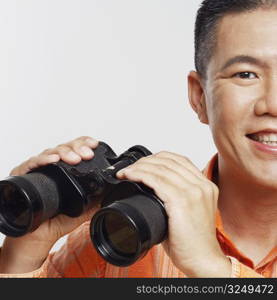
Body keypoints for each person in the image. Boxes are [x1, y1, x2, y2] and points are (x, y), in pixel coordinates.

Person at [0, 0, 276, 278]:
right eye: (246, 74)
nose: (272, 104)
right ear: (199, 97)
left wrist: (213, 269)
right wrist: (22, 253)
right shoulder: (119, 237)